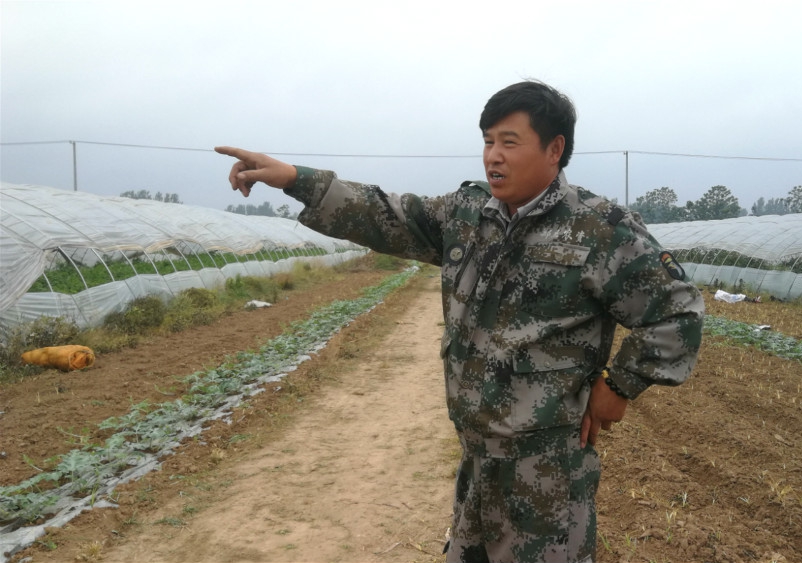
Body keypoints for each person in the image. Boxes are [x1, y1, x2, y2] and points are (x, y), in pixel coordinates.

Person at [216, 80, 704, 563]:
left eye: (509, 142)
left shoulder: (599, 230)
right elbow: (385, 213)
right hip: (475, 456)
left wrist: (618, 386)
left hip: (547, 472)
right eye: (488, 141)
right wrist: (294, 179)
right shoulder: (468, 214)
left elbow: (677, 310)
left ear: (554, 149)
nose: (493, 156)